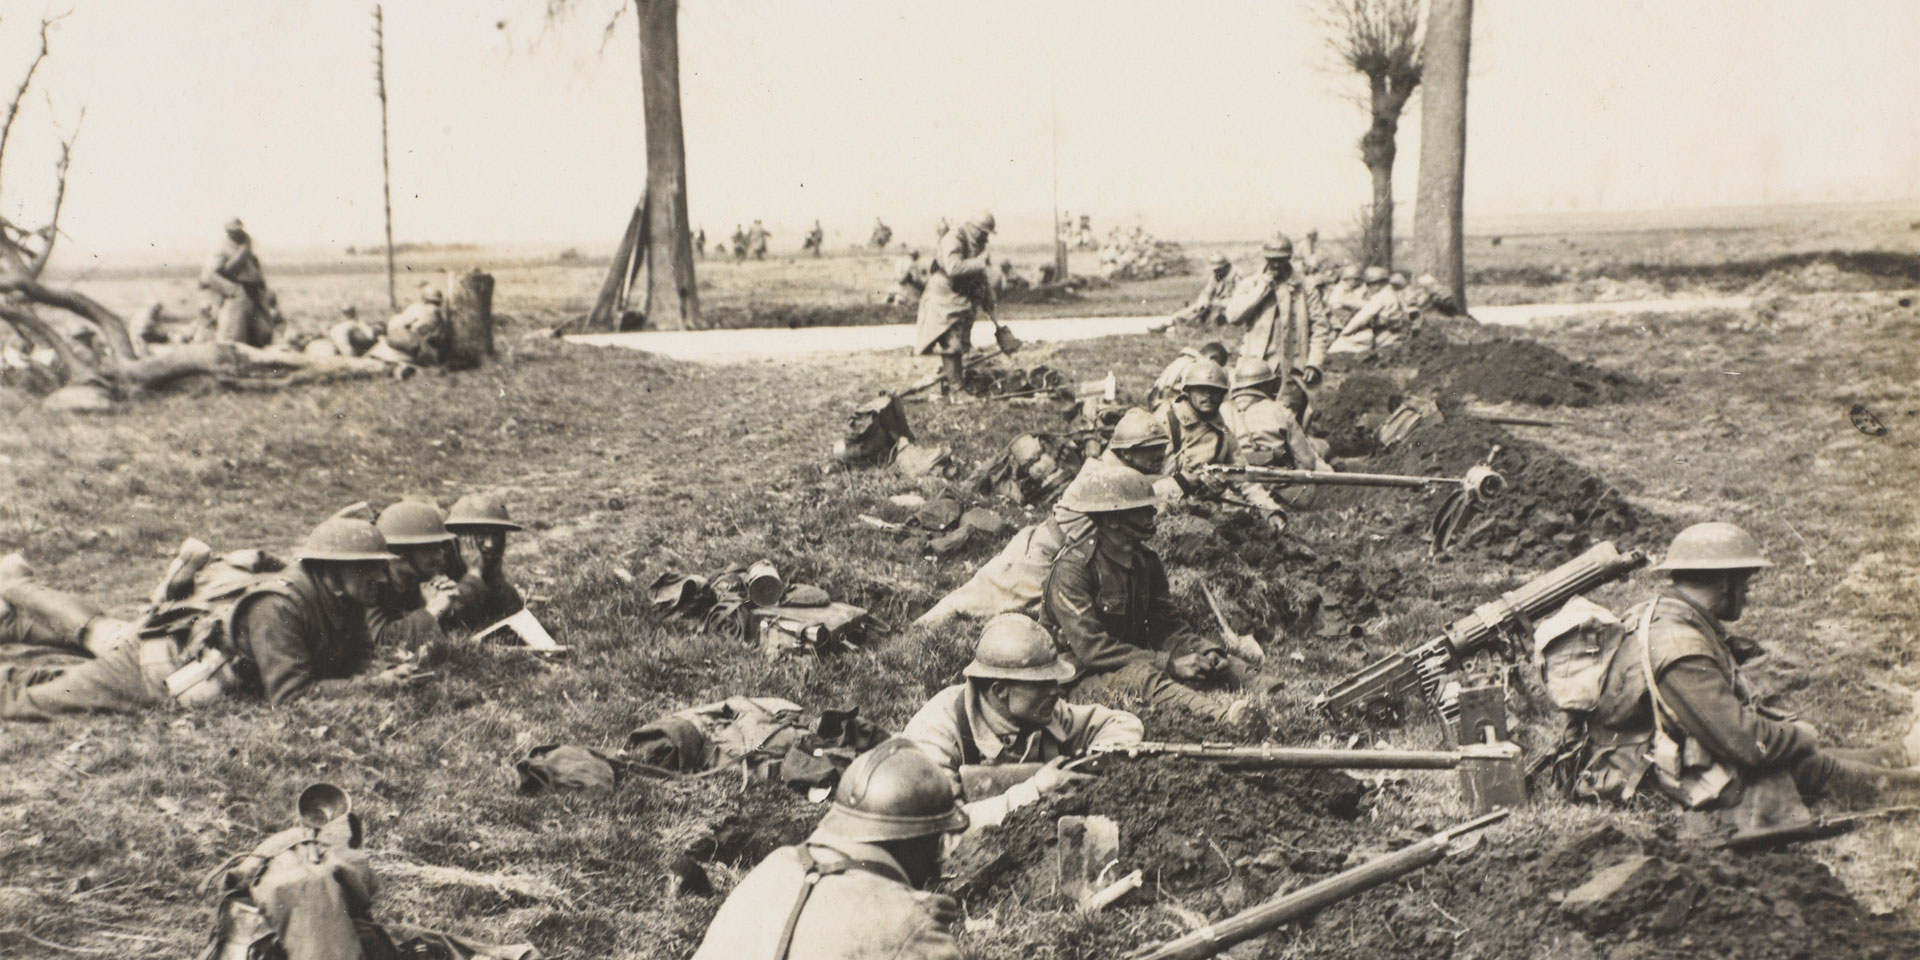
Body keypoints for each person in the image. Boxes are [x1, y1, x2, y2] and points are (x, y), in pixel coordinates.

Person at [1571, 523, 1920, 832]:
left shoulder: (1669, 615)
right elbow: (1746, 744)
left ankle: (1901, 755)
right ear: (1724, 582)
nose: (1749, 594)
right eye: (1746, 582)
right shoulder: (1680, 648)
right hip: (1649, 780)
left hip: (1652, 757)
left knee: (1800, 753)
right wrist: (1798, 735)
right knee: (1805, 766)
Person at [1, 516, 405, 719]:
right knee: (35, 702)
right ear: (331, 570)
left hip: (181, 662)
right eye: (368, 567)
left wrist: (379, 674)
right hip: (153, 669)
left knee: (54, 680)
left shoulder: (341, 598)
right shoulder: (278, 607)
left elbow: (357, 658)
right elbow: (291, 697)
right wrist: (370, 686)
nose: (381, 577)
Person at [688, 738, 968, 960]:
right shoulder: (912, 925)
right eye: (936, 843)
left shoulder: (775, 867)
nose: (936, 864)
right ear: (913, 841)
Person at [914, 408, 1169, 628]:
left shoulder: (1116, 470)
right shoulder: (1106, 478)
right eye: (1150, 450)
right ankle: (914, 631)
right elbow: (1150, 490)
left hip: (1060, 553)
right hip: (1043, 557)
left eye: (1160, 448)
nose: (1160, 456)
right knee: (973, 601)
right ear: (1126, 453)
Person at [1040, 460, 1249, 722]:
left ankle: (1277, 689)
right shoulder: (1073, 569)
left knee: (1221, 663)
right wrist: (1169, 663)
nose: (1152, 513)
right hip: (1077, 675)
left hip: (1131, 660)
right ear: (1113, 520)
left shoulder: (1146, 561)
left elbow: (1168, 625)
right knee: (1144, 678)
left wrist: (1204, 651)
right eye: (1141, 509)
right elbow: (1093, 649)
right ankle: (1224, 717)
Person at [904, 614, 1143, 830]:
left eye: (1053, 680)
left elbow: (1121, 723)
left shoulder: (1041, 712)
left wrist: (1086, 763)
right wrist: (1035, 790)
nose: (1056, 692)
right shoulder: (934, 735)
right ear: (1000, 691)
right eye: (1041, 684)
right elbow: (940, 833)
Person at [1153, 359, 1288, 533]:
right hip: (1159, 508)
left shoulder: (1223, 433)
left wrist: (1270, 511)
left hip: (1201, 514)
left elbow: (1244, 479)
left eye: (1215, 391)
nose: (1208, 396)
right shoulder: (1165, 421)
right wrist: (1179, 482)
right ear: (1187, 391)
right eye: (1201, 389)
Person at [1224, 234, 1331, 388]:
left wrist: (1314, 363)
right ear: (1265, 258)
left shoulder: (1305, 288)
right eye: (1271, 260)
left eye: (1281, 260)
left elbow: (1320, 328)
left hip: (1293, 369)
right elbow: (1233, 317)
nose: (1276, 265)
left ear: (1288, 258)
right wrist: (1262, 288)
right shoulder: (1250, 284)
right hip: (1254, 367)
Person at [913, 211, 996, 399]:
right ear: (973, 227)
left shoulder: (978, 243)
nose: (986, 236)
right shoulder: (954, 238)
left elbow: (981, 274)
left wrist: (988, 298)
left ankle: (952, 385)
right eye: (983, 232)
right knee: (952, 343)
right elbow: (953, 267)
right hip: (943, 296)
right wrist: (980, 263)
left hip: (960, 297)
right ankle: (956, 390)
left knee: (962, 342)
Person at [1226, 357, 1330, 474]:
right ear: (1267, 385)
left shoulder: (1223, 410)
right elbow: (1307, 462)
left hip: (1236, 483)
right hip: (1276, 484)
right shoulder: (1280, 411)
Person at [199, 218, 276, 348]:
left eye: (239, 230)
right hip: (238, 295)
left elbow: (255, 271)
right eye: (233, 231)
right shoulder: (221, 249)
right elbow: (209, 275)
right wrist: (233, 290)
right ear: (228, 232)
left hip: (255, 294)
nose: (237, 233)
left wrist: (263, 289)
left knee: (263, 334)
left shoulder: (247, 247)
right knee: (233, 336)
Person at [1330, 266, 1419, 355]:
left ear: (1378, 283)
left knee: (1354, 340)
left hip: (1386, 335)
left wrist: (1345, 333)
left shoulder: (1381, 297)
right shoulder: (1391, 293)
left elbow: (1362, 317)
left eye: (1370, 284)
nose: (1369, 287)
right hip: (1397, 333)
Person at [373, 286, 451, 366]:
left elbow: (395, 325)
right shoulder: (442, 318)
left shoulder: (417, 308)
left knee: (384, 346)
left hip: (412, 347)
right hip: (428, 352)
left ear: (424, 299)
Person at [1148, 341, 1229, 406]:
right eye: (1216, 366)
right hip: (1166, 401)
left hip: (1156, 397)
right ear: (1213, 359)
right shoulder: (1194, 366)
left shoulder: (1183, 360)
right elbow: (1186, 389)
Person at [1172, 255, 1239, 327]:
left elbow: (1239, 296)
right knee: (1193, 310)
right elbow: (1207, 291)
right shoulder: (1217, 276)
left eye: (1218, 269)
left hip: (1230, 306)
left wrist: (1220, 303)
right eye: (1215, 270)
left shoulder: (1237, 275)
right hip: (1215, 304)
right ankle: (1177, 319)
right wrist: (1203, 302)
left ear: (1226, 266)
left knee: (1215, 315)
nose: (1216, 271)